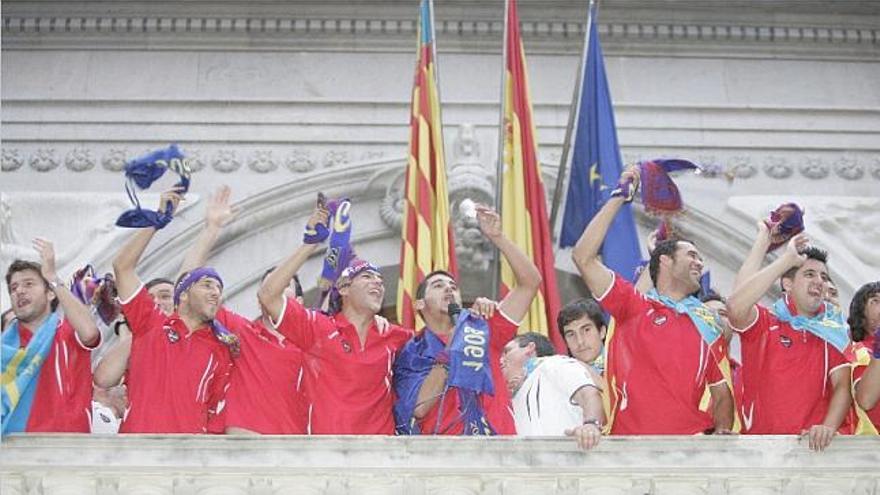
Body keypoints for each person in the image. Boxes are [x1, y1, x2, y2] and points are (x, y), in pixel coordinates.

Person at [571, 166, 733, 435]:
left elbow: (721, 392)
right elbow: (583, 257)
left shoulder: (707, 323)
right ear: (666, 261)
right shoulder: (634, 307)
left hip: (691, 453)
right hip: (633, 451)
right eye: (691, 255)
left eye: (700, 258)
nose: (699, 263)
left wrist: (722, 436)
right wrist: (619, 196)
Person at [258, 203, 412, 434]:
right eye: (367, 277)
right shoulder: (317, 327)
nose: (378, 283)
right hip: (324, 457)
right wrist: (310, 244)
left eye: (380, 279)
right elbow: (268, 295)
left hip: (379, 459)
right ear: (343, 288)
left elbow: (445, 338)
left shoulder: (396, 336)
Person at [393, 203, 542, 436]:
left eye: (453, 286)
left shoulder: (480, 325)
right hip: (445, 458)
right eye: (438, 286)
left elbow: (530, 283)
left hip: (497, 449)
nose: (449, 290)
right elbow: (419, 408)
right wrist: (451, 350)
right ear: (419, 304)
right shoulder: (412, 351)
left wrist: (498, 237)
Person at [112, 187, 248, 433]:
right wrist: (156, 221)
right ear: (183, 295)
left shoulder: (220, 349)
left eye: (219, 288)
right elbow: (122, 267)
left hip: (188, 461)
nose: (216, 292)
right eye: (207, 285)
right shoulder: (151, 324)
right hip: (136, 455)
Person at [726, 234, 851, 451]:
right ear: (788, 284)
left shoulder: (833, 331)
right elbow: (735, 307)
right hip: (760, 450)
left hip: (811, 451)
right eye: (809, 274)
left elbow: (842, 386)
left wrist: (827, 427)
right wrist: (786, 261)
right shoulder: (765, 323)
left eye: (823, 276)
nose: (819, 282)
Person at [2, 239, 100, 433]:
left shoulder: (67, 332)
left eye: (28, 284)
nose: (19, 291)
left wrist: (52, 277)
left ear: (50, 294)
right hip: (11, 447)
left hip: (64, 446)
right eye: (13, 288)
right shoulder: (5, 346)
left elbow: (90, 333)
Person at [223, 271, 308, 435]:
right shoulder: (241, 332)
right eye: (269, 286)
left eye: (283, 285)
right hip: (245, 444)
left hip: (294, 449)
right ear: (259, 299)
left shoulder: (313, 345)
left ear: (299, 302)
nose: (274, 290)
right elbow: (189, 290)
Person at [501, 332, 604, 450]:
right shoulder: (511, 396)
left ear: (530, 348)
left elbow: (588, 393)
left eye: (506, 352)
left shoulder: (554, 364)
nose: (500, 359)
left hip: (572, 463)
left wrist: (591, 425)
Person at [848, 281, 880, 434]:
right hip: (871, 448)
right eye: (876, 301)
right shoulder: (856, 350)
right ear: (860, 311)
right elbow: (866, 400)